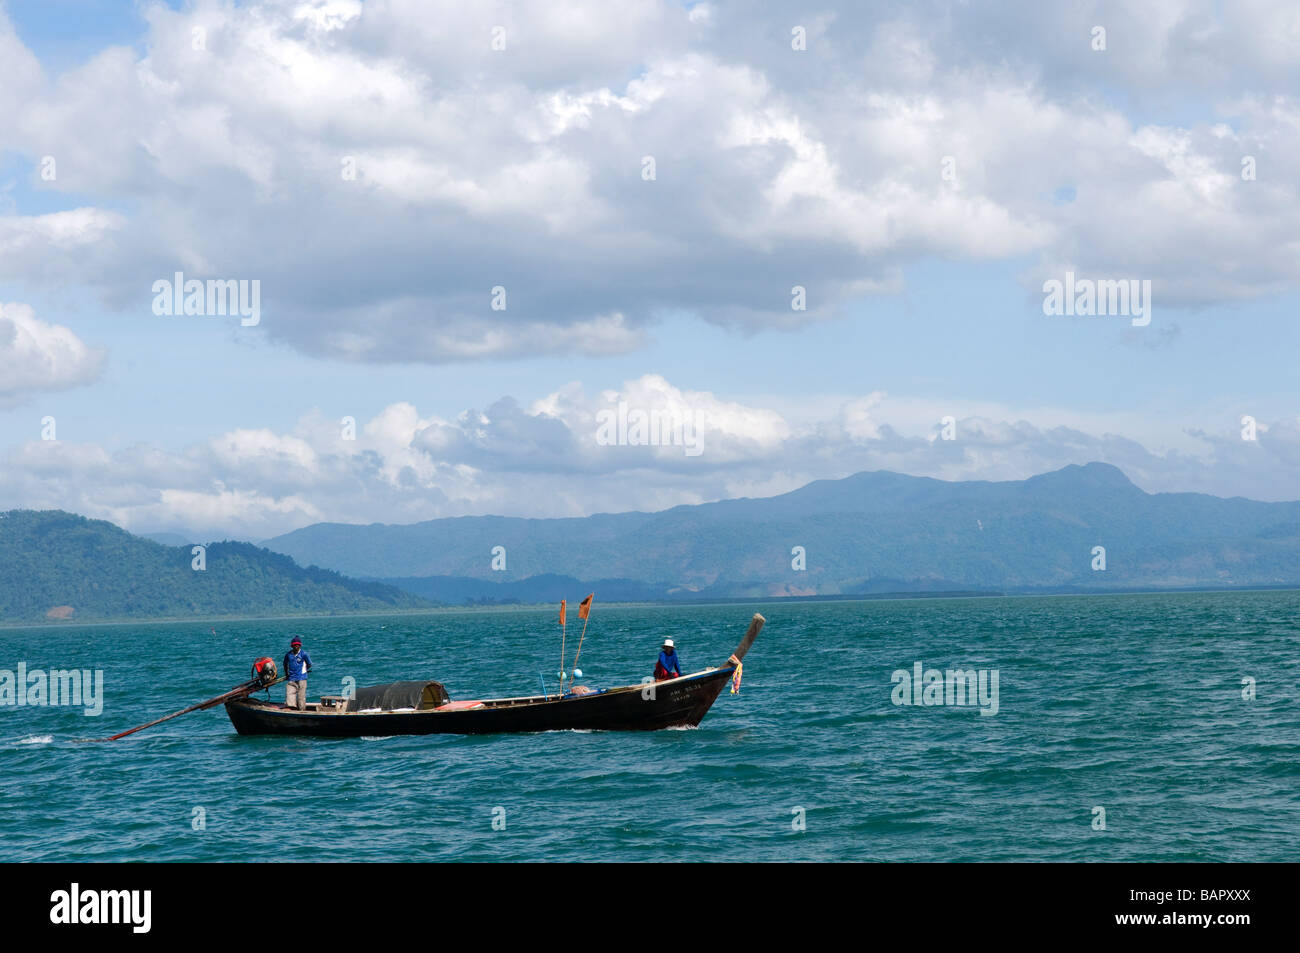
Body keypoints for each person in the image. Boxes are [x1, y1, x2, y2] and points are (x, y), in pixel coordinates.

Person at [283, 637, 312, 710]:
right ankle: (292, 709)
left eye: (297, 645)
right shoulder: (288, 655)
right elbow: (285, 664)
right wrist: (287, 674)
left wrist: (304, 671)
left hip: (302, 678)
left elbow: (309, 664)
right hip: (292, 678)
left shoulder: (304, 654)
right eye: (294, 645)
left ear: (300, 645)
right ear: (292, 646)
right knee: (289, 694)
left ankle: (302, 710)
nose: (296, 646)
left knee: (301, 697)